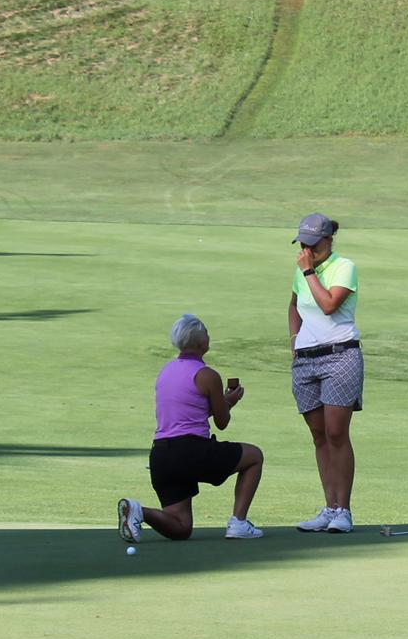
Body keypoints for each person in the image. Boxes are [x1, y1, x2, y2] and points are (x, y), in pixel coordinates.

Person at [120, 314, 265, 542]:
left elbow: (189, 411)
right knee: (254, 456)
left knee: (181, 528)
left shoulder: (165, 371)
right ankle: (238, 522)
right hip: (191, 451)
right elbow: (222, 422)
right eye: (206, 333)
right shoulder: (207, 375)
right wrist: (229, 401)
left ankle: (139, 511)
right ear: (201, 343)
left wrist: (223, 401)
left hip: (161, 455)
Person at [288, 213, 361, 534]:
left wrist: (308, 271)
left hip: (340, 356)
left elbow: (329, 304)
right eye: (303, 244)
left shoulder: (344, 266)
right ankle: (329, 507)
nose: (307, 249)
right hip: (305, 360)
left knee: (335, 433)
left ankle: (343, 510)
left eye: (313, 244)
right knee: (318, 436)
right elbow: (294, 305)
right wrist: (294, 340)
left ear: (328, 241)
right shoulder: (301, 271)